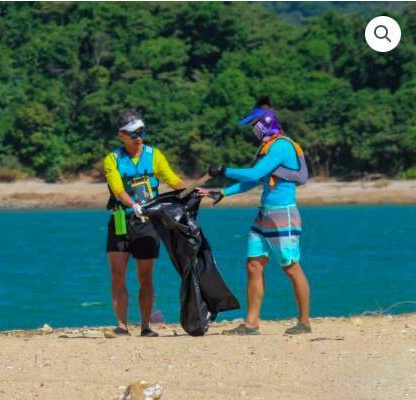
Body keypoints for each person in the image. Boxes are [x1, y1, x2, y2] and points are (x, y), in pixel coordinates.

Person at [209, 97, 312, 335]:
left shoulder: (281, 146)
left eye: (254, 123)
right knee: (254, 264)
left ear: (264, 123)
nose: (252, 129)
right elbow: (254, 180)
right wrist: (223, 192)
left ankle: (304, 321)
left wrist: (223, 170)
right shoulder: (266, 147)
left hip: (282, 215)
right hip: (264, 215)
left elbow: (255, 172)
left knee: (291, 266)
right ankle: (251, 322)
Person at [104, 109, 207, 337]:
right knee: (118, 273)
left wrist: (193, 189)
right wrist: (133, 205)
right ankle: (121, 325)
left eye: (141, 132)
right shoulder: (112, 159)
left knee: (145, 275)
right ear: (121, 135)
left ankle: (145, 326)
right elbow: (118, 189)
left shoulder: (155, 155)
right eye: (132, 134)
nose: (138, 137)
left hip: (148, 223)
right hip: (121, 220)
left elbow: (172, 180)